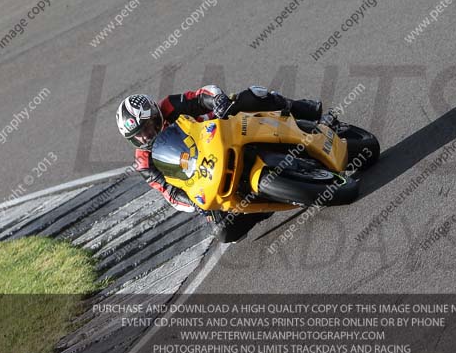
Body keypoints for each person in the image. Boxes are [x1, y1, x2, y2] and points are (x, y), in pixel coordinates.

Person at [115, 86, 322, 239]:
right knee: (224, 232)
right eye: (137, 135)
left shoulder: (169, 106)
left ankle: (298, 108)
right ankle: (262, 205)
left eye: (147, 127)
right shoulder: (144, 163)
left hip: (221, 132)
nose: (145, 136)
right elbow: (169, 192)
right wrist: (193, 203)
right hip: (204, 174)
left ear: (155, 115)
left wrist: (218, 101)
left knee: (251, 97)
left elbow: (202, 95)